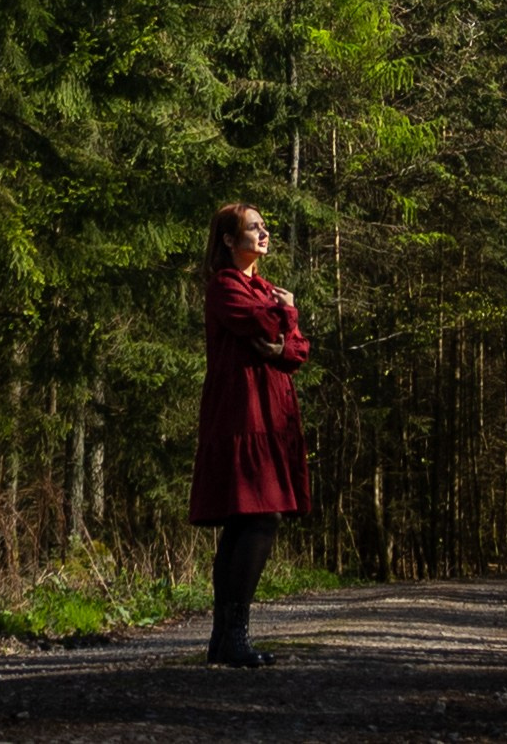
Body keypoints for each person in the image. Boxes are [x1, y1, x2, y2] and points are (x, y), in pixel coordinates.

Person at [189, 201, 310, 668]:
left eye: (264, 227)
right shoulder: (225, 287)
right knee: (259, 516)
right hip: (243, 413)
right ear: (227, 239)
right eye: (253, 227)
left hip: (271, 412)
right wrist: (285, 317)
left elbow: (296, 353)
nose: (264, 233)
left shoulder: (261, 288)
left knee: (250, 519)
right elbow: (264, 326)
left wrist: (286, 328)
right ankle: (233, 636)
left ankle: (224, 641)